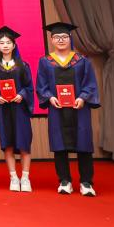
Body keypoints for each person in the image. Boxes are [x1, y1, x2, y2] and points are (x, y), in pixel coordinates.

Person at [36, 22, 100, 196]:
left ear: (70, 38)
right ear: (51, 40)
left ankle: (86, 182)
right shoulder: (45, 62)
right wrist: (50, 97)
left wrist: (82, 97)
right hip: (57, 108)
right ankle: (65, 181)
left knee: (84, 144)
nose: (61, 40)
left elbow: (90, 83)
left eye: (64, 37)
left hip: (79, 108)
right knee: (59, 144)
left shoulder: (82, 60)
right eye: (57, 37)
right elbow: (41, 85)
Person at [0, 26, 34, 192]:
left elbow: (29, 87)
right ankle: (13, 177)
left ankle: (25, 178)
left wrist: (22, 94)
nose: (5, 45)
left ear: (14, 45)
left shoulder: (23, 65)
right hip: (3, 109)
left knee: (24, 144)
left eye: (8, 42)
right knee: (7, 144)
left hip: (20, 109)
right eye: (2, 43)